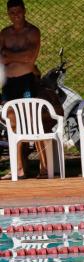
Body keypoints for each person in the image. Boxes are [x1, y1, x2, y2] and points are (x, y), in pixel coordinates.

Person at [1, 0, 42, 179]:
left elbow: (31, 57)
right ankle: (18, 168)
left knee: (32, 123)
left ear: (24, 11)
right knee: (13, 125)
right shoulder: (4, 34)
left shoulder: (32, 32)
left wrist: (9, 56)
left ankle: (45, 167)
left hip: (26, 81)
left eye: (18, 11)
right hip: (9, 83)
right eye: (12, 12)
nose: (15, 15)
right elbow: (0, 59)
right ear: (8, 14)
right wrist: (20, 58)